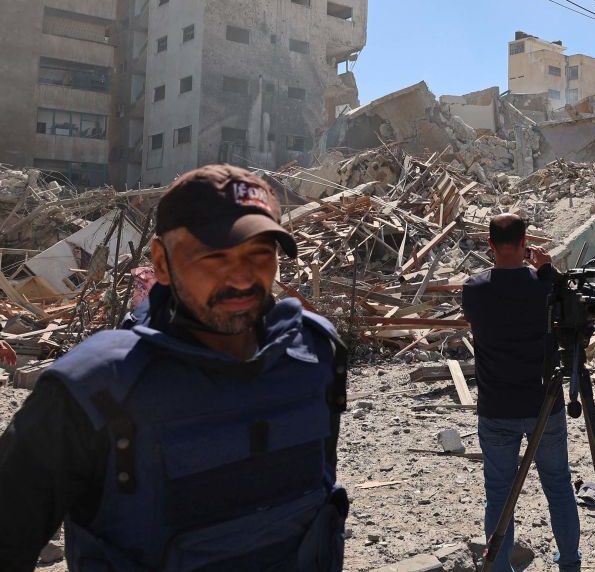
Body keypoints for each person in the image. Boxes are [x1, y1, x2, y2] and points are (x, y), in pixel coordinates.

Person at [0, 165, 349, 571]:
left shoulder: (314, 353)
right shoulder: (92, 389)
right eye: (213, 256)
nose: (241, 276)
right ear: (161, 263)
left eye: (260, 253)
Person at [463, 214, 580, 572]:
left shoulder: (474, 289)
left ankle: (499, 567)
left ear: (490, 244)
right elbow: (572, 311)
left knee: (499, 495)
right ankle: (570, 562)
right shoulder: (543, 286)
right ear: (526, 242)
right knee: (558, 485)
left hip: (497, 407)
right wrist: (550, 272)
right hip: (543, 403)